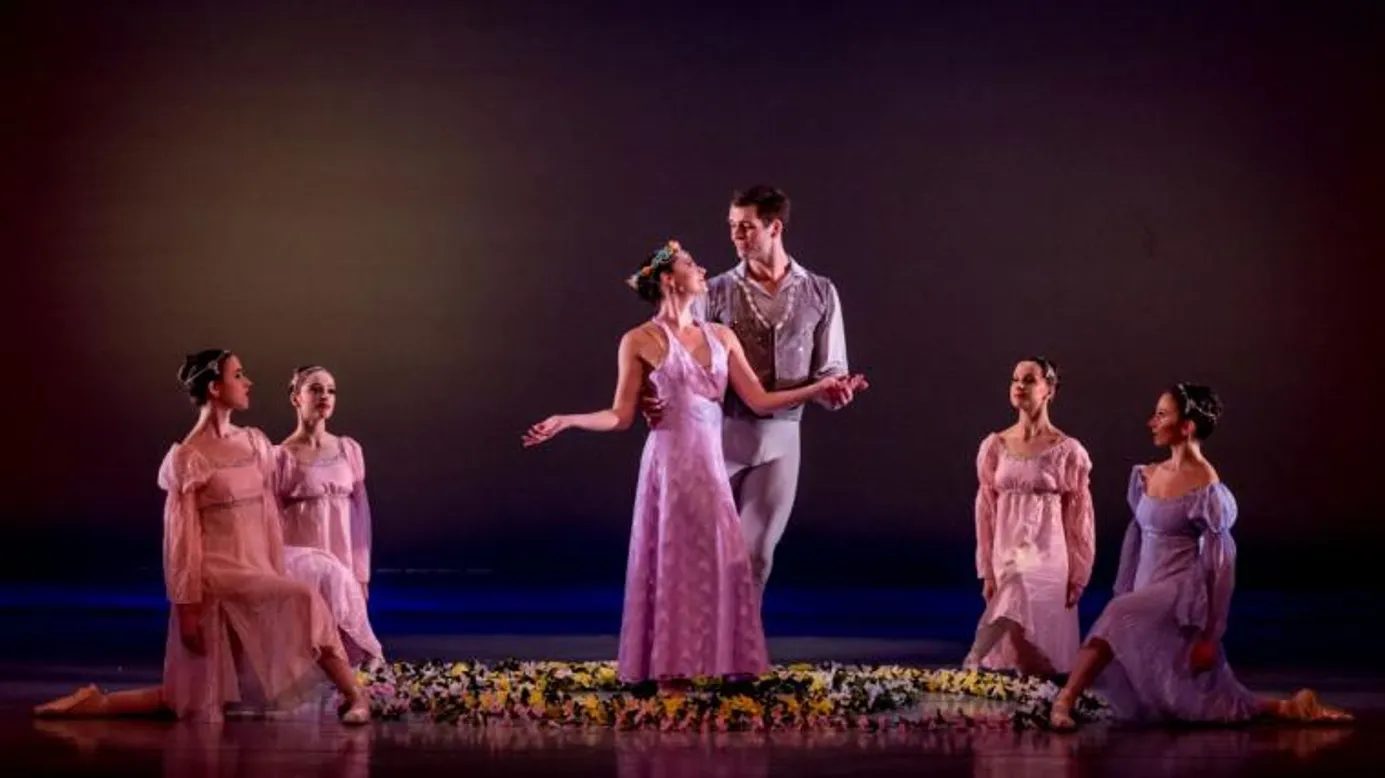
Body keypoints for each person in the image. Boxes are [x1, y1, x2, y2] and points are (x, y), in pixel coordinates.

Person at [523, 240, 866, 688]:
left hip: (710, 465)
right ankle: (670, 672)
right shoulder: (638, 340)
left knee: (728, 563)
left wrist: (819, 389)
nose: (702, 268)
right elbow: (620, 416)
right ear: (669, 279)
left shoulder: (720, 336)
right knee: (674, 564)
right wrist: (568, 420)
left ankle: (723, 662)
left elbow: (760, 401)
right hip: (670, 467)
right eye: (690, 264)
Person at [33, 350, 371, 724]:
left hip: (255, 570)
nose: (247, 382)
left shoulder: (255, 442)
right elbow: (180, 539)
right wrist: (186, 607)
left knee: (195, 695)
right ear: (214, 387)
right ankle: (355, 695)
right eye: (238, 375)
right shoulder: (189, 457)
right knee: (202, 693)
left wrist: (275, 565)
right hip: (217, 576)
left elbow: (270, 515)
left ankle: (95, 703)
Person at [1049, 384, 1351, 728]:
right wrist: (1128, 586)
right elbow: (1137, 537)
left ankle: (1064, 700)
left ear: (1187, 426)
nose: (1151, 422)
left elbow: (1220, 567)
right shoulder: (1149, 474)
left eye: (1161, 415)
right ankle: (1284, 708)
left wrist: (1210, 634)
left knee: (1116, 615)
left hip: (1179, 590)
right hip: (1148, 581)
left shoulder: (1205, 486)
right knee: (1186, 698)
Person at [645, 185, 858, 592]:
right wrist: (652, 395)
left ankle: (742, 634)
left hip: (781, 441)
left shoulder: (820, 291)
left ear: (774, 228)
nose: (735, 235)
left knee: (755, 557)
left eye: (746, 227)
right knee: (701, 556)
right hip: (718, 436)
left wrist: (835, 389)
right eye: (731, 226)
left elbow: (832, 368)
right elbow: (677, 354)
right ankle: (699, 631)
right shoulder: (714, 290)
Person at [965, 357, 1094, 676]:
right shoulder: (995, 445)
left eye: (1029, 380)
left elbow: (1079, 516)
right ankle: (1030, 681)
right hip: (1007, 545)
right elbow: (986, 510)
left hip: (1047, 549)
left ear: (1049, 389)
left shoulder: (1068, 450)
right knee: (1019, 631)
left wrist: (1079, 571)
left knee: (1021, 590)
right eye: (1015, 379)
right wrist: (987, 569)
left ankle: (974, 659)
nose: (1019, 385)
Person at [275, 365, 384, 666]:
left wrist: (361, 572)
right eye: (315, 389)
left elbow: (360, 513)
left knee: (346, 628)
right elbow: (271, 517)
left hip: (343, 550)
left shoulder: (348, 449)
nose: (325, 396)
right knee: (309, 627)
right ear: (296, 397)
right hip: (305, 553)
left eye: (331, 390)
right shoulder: (280, 456)